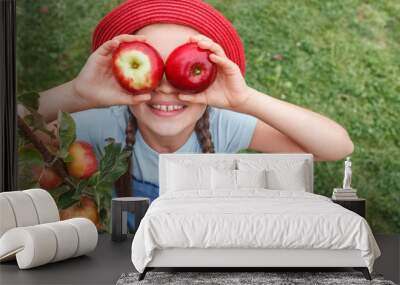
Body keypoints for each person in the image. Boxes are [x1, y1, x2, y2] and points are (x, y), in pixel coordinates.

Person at [19, 0, 354, 202]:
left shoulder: (224, 125)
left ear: (210, 76)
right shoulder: (107, 123)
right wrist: (78, 93)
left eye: (180, 72)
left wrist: (246, 99)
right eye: (152, 69)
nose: (165, 88)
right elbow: (15, 130)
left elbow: (336, 147)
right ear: (123, 76)